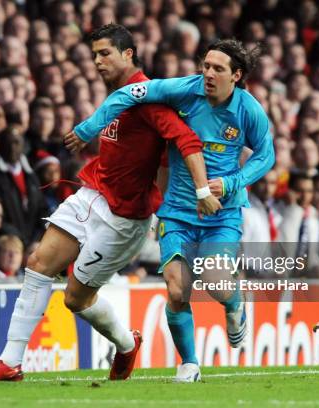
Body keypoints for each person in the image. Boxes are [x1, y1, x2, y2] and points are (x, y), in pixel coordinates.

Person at [0, 24, 220, 383]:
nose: (96, 61)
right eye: (94, 54)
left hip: (124, 219)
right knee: (37, 263)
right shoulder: (118, 94)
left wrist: (203, 191)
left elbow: (188, 141)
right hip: (92, 193)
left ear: (128, 54)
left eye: (104, 53)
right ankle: (9, 362)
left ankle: (127, 345)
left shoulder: (150, 102)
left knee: (75, 299)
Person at [66, 37, 274, 382]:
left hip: (221, 214)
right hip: (177, 211)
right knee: (177, 289)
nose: (208, 73)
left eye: (217, 69)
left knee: (215, 282)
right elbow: (126, 94)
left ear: (235, 75)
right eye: (205, 65)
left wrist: (235, 181)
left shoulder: (248, 110)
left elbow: (266, 156)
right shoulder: (182, 90)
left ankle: (235, 302)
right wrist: (91, 126)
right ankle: (189, 362)